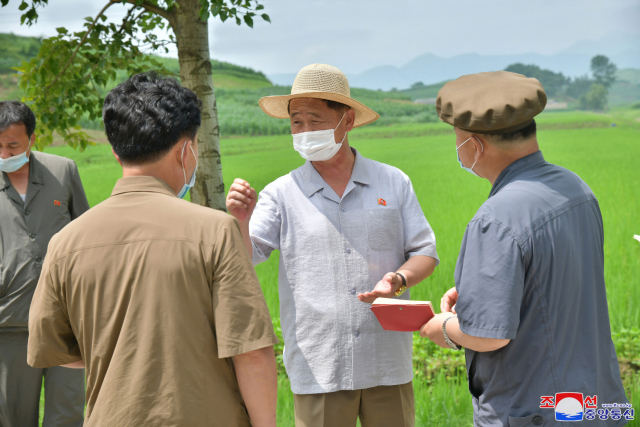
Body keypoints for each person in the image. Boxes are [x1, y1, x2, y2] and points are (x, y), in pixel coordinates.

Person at [27, 72, 279, 427]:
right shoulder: (215, 230)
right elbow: (252, 353)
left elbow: (56, 349)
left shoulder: (66, 242)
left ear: (116, 152)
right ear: (186, 150)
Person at [226, 63, 439, 427]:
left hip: (385, 357)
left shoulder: (392, 182)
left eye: (315, 120)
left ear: (348, 120)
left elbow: (425, 252)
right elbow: (248, 255)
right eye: (296, 122)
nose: (305, 131)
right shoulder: (281, 193)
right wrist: (241, 221)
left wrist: (397, 280)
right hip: (319, 362)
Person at [420, 71, 629, 426]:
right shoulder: (576, 188)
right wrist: (482, 289)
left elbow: (487, 336)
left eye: (457, 140)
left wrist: (440, 326)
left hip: (533, 410)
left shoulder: (496, 218)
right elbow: (557, 280)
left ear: (475, 145)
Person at [0, 101, 88, 427]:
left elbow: (84, 235)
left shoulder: (62, 171)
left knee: (66, 413)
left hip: (64, 317)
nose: (5, 154)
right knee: (11, 414)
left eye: (13, 145)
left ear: (31, 139)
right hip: (9, 320)